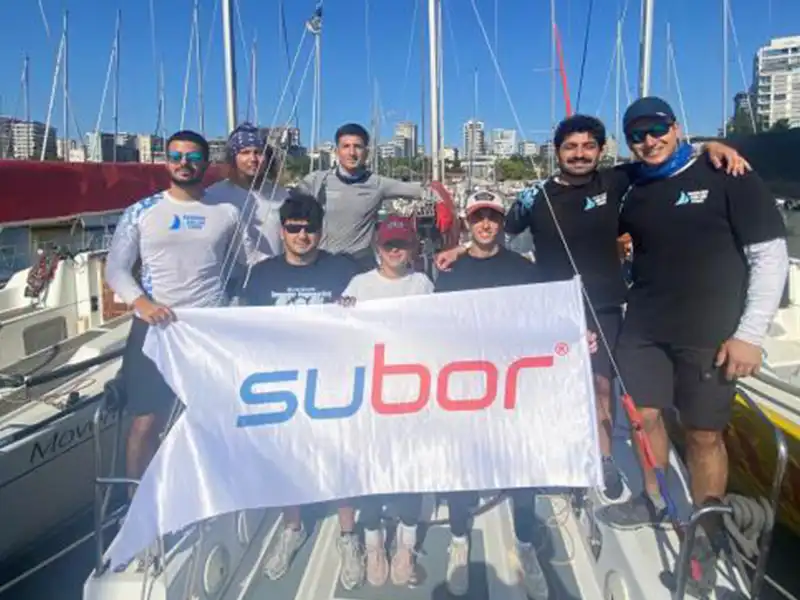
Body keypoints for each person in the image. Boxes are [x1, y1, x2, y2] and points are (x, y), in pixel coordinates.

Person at [434, 115, 750, 502]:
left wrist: (708, 146)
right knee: (551, 385)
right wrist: (461, 249)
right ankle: (557, 452)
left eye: (588, 146)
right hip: (551, 308)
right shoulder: (534, 195)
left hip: (604, 306)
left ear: (600, 150)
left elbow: (663, 156)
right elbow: (497, 231)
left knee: (602, 386)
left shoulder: (617, 181)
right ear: (557, 152)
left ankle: (604, 458)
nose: (579, 154)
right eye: (570, 147)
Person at [598, 97, 788, 595]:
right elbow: (576, 198)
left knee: (704, 435)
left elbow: (770, 255)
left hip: (710, 332)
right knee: (644, 418)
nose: (649, 141)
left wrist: (749, 335)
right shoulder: (630, 185)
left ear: (676, 128)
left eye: (657, 129)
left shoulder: (727, 174)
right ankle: (654, 498)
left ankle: (706, 530)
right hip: (645, 325)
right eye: (637, 135)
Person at [433, 190, 598, 598]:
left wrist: (578, 336)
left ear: (502, 222)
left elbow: (548, 317)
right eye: (478, 217)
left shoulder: (525, 270)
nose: (485, 224)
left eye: (492, 217)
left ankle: (524, 544)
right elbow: (433, 327)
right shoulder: (449, 271)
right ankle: (458, 539)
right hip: (467, 387)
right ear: (467, 222)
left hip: (514, 388)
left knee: (522, 466)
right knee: (461, 467)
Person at [106, 130, 253, 499]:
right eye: (176, 156)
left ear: (206, 163)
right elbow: (116, 270)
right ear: (167, 161)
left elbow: (246, 263)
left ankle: (211, 493)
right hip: (155, 326)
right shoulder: (141, 211)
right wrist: (141, 303)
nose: (184, 163)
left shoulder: (227, 213)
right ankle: (139, 504)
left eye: (193, 157)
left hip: (207, 329)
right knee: (145, 423)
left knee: (210, 418)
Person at [240, 193, 365, 589]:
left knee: (340, 456)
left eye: (310, 229)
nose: (302, 235)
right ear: (282, 232)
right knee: (286, 457)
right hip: (282, 382)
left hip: (333, 379)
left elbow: (380, 295)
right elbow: (242, 329)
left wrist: (356, 307)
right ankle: (292, 527)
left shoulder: (344, 270)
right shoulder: (260, 276)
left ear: (321, 232)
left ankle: (348, 534)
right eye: (294, 228)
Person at [337, 216, 433, 588]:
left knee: (410, 470)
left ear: (413, 249)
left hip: (411, 392)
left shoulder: (422, 284)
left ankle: (406, 544)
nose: (396, 250)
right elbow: (340, 328)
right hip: (369, 394)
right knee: (369, 470)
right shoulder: (359, 284)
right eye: (389, 244)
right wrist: (342, 310)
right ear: (378, 248)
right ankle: (373, 543)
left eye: (402, 244)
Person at [295, 122, 453, 272]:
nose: (352, 153)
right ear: (337, 152)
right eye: (346, 146)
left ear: (366, 152)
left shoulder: (378, 183)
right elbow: (287, 206)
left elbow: (427, 192)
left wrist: (444, 207)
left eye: (357, 147)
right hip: (324, 263)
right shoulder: (317, 181)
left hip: (360, 264)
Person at [206, 123, 289, 268]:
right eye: (245, 152)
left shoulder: (282, 196)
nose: (253, 159)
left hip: (273, 274)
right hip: (228, 279)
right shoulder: (214, 195)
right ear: (233, 158)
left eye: (259, 152)